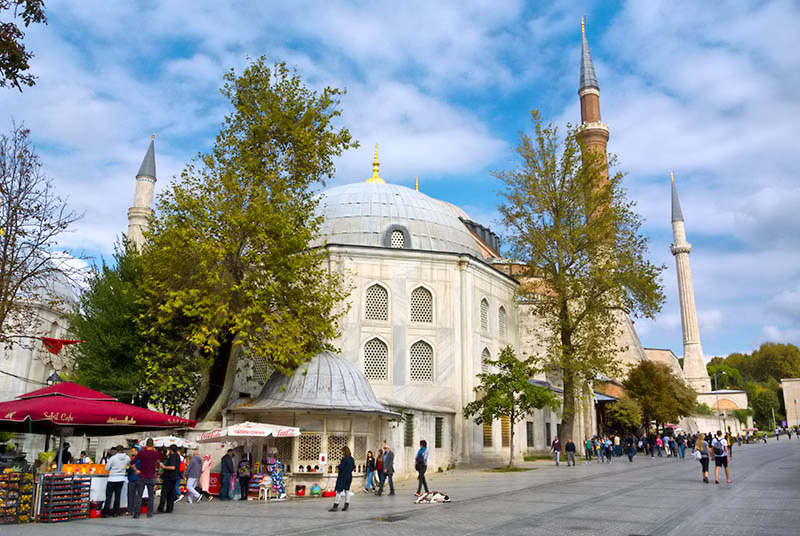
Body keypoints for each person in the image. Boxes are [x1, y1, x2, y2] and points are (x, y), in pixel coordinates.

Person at [131, 437, 162, 519]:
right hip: (151, 476)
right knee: (151, 496)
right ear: (153, 444)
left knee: (139, 495)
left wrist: (136, 470)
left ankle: (137, 514)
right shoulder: (156, 454)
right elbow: (159, 462)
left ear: (146, 444)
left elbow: (132, 462)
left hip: (142, 476)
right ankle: (149, 513)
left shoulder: (142, 453)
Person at [102, 445, 130, 517]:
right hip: (121, 478)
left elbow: (107, 468)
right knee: (118, 496)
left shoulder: (113, 458)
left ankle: (105, 512)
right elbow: (129, 464)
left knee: (109, 496)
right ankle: (116, 512)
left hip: (112, 478)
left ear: (117, 450)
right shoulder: (127, 458)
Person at [328, 446, 355, 511]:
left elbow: (341, 468)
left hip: (343, 476)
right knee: (347, 490)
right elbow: (352, 467)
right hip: (349, 476)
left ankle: (336, 506)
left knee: (339, 491)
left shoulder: (344, 459)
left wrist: (338, 466)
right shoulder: (352, 459)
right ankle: (346, 505)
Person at [157, 444, 182, 513]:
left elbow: (172, 467)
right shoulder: (178, 456)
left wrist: (164, 467)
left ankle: (161, 508)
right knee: (171, 494)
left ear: (171, 450)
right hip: (175, 477)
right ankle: (169, 508)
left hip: (169, 477)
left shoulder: (173, 457)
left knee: (164, 493)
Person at [126, 446, 141, 516]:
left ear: (136, 451)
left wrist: (127, 469)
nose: (131, 452)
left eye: (132, 451)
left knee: (131, 494)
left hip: (133, 477)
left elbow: (131, 468)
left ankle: (130, 510)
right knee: (137, 495)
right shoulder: (139, 458)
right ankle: (136, 509)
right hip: (138, 478)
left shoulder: (136, 459)